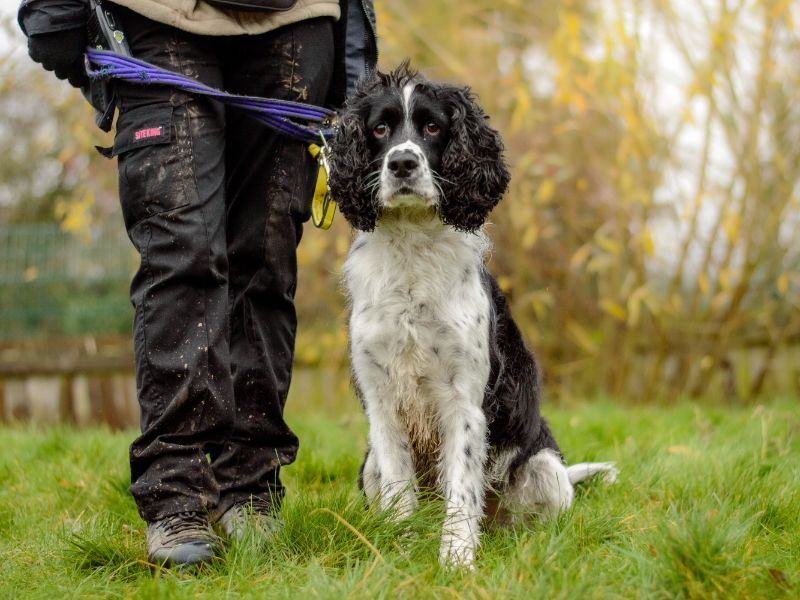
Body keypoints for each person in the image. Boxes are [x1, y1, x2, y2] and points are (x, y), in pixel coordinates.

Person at [18, 0, 377, 567]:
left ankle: (251, 485)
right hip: (156, 16)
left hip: (297, 21)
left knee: (266, 260)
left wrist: (352, 65)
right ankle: (177, 494)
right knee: (181, 254)